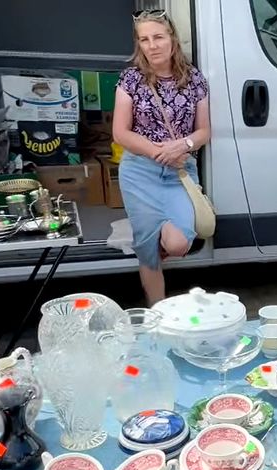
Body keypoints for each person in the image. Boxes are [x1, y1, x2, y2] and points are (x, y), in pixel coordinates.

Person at [113, 10, 211, 304]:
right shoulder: (131, 79)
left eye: (158, 37)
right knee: (147, 251)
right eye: (144, 39)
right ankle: (157, 315)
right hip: (139, 172)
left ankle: (151, 240)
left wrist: (183, 145)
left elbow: (205, 130)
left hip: (180, 171)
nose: (152, 45)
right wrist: (159, 151)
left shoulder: (194, 78)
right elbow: (120, 132)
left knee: (180, 243)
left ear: (172, 39)